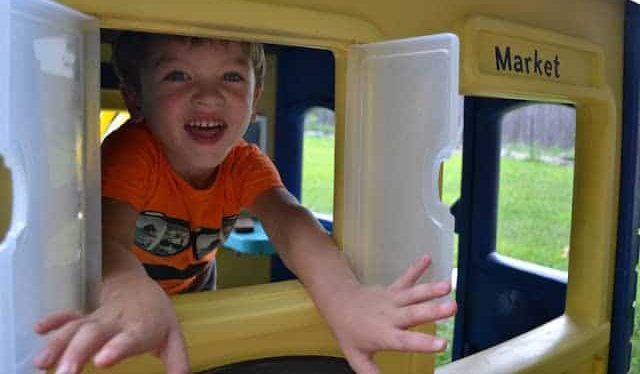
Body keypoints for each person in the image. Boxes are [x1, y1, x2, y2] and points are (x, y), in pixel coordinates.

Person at [33, 31, 457, 374]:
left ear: (254, 100)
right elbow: (105, 240)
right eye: (178, 76)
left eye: (231, 78)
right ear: (135, 98)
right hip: (122, 297)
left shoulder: (244, 163)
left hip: (197, 290)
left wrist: (344, 297)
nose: (209, 96)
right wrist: (129, 291)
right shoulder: (131, 153)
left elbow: (291, 223)